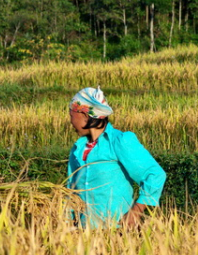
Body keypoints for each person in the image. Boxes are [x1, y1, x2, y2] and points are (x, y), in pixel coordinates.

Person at [66, 87, 166, 229]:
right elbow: (71, 191)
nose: (71, 122)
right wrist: (67, 224)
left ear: (84, 115)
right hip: (84, 234)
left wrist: (136, 211)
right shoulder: (78, 149)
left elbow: (155, 174)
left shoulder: (119, 141)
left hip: (116, 232)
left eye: (71, 116)